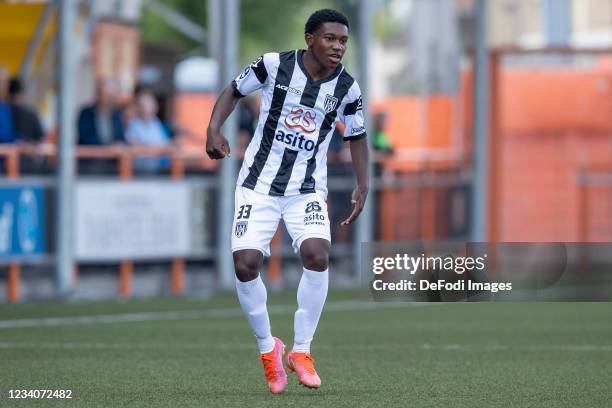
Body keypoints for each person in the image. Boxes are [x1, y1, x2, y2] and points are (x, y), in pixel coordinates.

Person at [206, 9, 369, 394]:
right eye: (330, 38)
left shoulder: (347, 88)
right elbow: (233, 90)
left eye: (343, 41)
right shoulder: (272, 65)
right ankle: (269, 349)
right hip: (258, 184)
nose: (337, 47)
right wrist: (213, 129)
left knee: (317, 254)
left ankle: (302, 350)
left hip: (307, 188)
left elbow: (357, 135)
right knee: (245, 264)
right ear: (311, 38)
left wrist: (363, 185)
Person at [125, 88, 171, 173]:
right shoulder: (133, 124)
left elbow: (165, 144)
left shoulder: (156, 122)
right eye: (145, 103)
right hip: (140, 170)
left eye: (150, 103)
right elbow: (134, 146)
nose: (148, 106)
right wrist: (155, 148)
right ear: (139, 106)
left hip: (159, 168)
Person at [77, 78, 124, 146]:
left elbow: (121, 137)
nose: (110, 99)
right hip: (92, 155)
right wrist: (110, 146)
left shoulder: (117, 114)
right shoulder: (86, 113)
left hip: (113, 156)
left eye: (113, 95)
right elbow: (85, 139)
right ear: (98, 94)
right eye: (107, 95)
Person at [8, 77, 44, 142]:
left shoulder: (5, 111)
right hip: (31, 150)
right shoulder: (31, 113)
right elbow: (41, 136)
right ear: (23, 94)